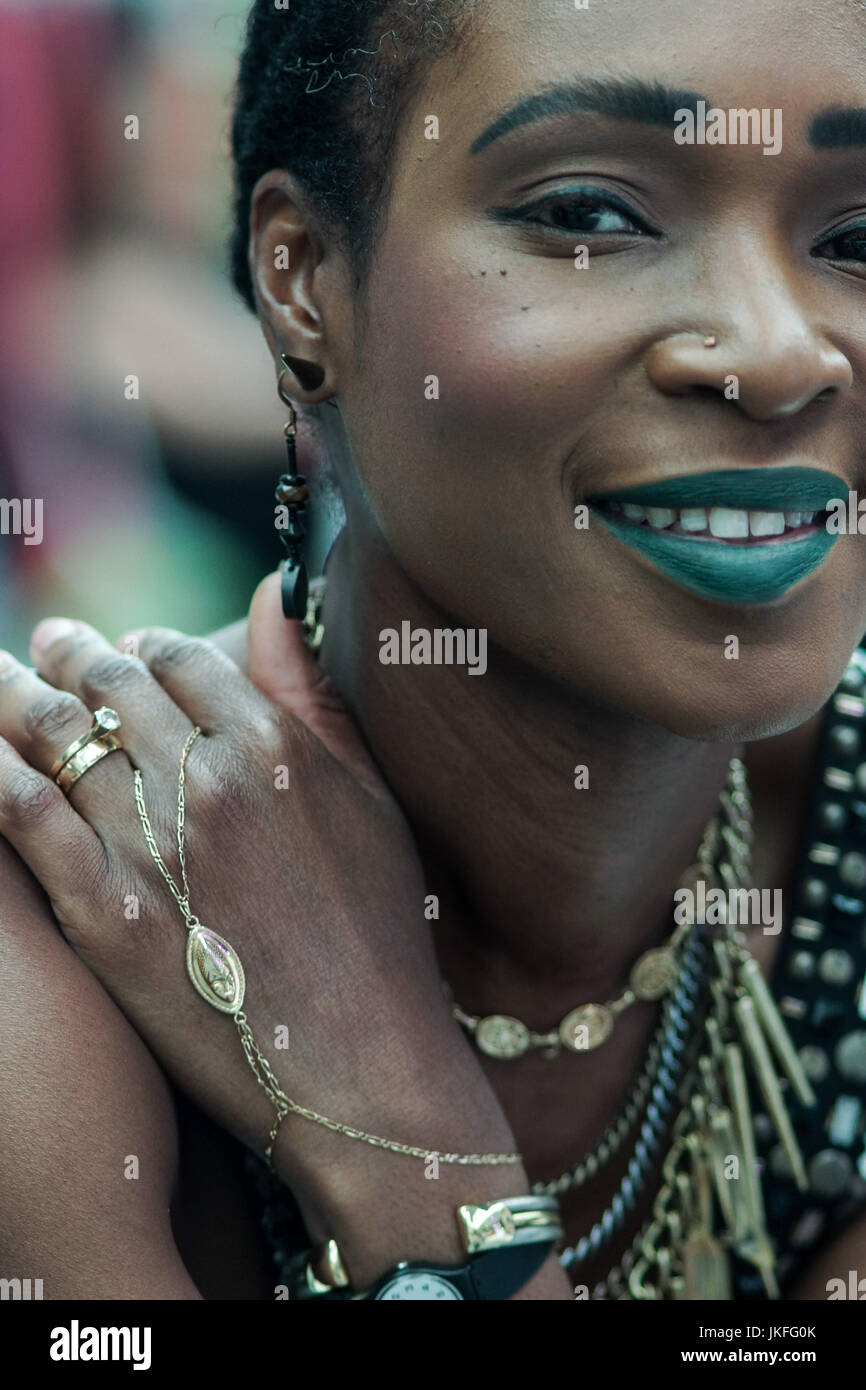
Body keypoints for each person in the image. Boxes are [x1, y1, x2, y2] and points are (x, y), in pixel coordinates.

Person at [0, 0, 864, 1301]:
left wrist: (406, 1134)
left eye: (856, 236)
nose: (777, 352)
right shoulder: (59, 924)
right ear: (302, 280)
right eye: (588, 216)